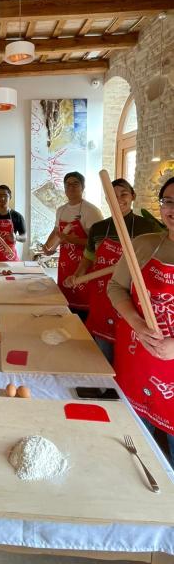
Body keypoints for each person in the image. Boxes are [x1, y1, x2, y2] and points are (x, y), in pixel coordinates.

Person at [108, 177, 174, 468]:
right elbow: (116, 288)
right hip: (136, 360)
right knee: (131, 446)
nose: (173, 208)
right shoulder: (144, 245)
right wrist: (135, 321)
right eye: (168, 201)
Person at [64, 178, 155, 363]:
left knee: (127, 351)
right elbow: (88, 258)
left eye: (124, 194)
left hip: (131, 301)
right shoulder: (99, 228)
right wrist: (78, 275)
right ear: (107, 199)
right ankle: (102, 388)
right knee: (101, 351)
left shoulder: (147, 228)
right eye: (113, 195)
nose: (119, 199)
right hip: (101, 297)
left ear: (133, 196)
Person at [43, 171, 103, 314]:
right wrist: (46, 246)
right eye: (67, 184)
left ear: (83, 187)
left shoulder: (91, 211)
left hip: (84, 264)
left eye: (75, 183)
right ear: (64, 188)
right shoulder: (61, 210)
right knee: (65, 299)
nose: (71, 187)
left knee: (82, 303)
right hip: (65, 264)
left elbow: (99, 243)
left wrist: (72, 240)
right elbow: (56, 230)